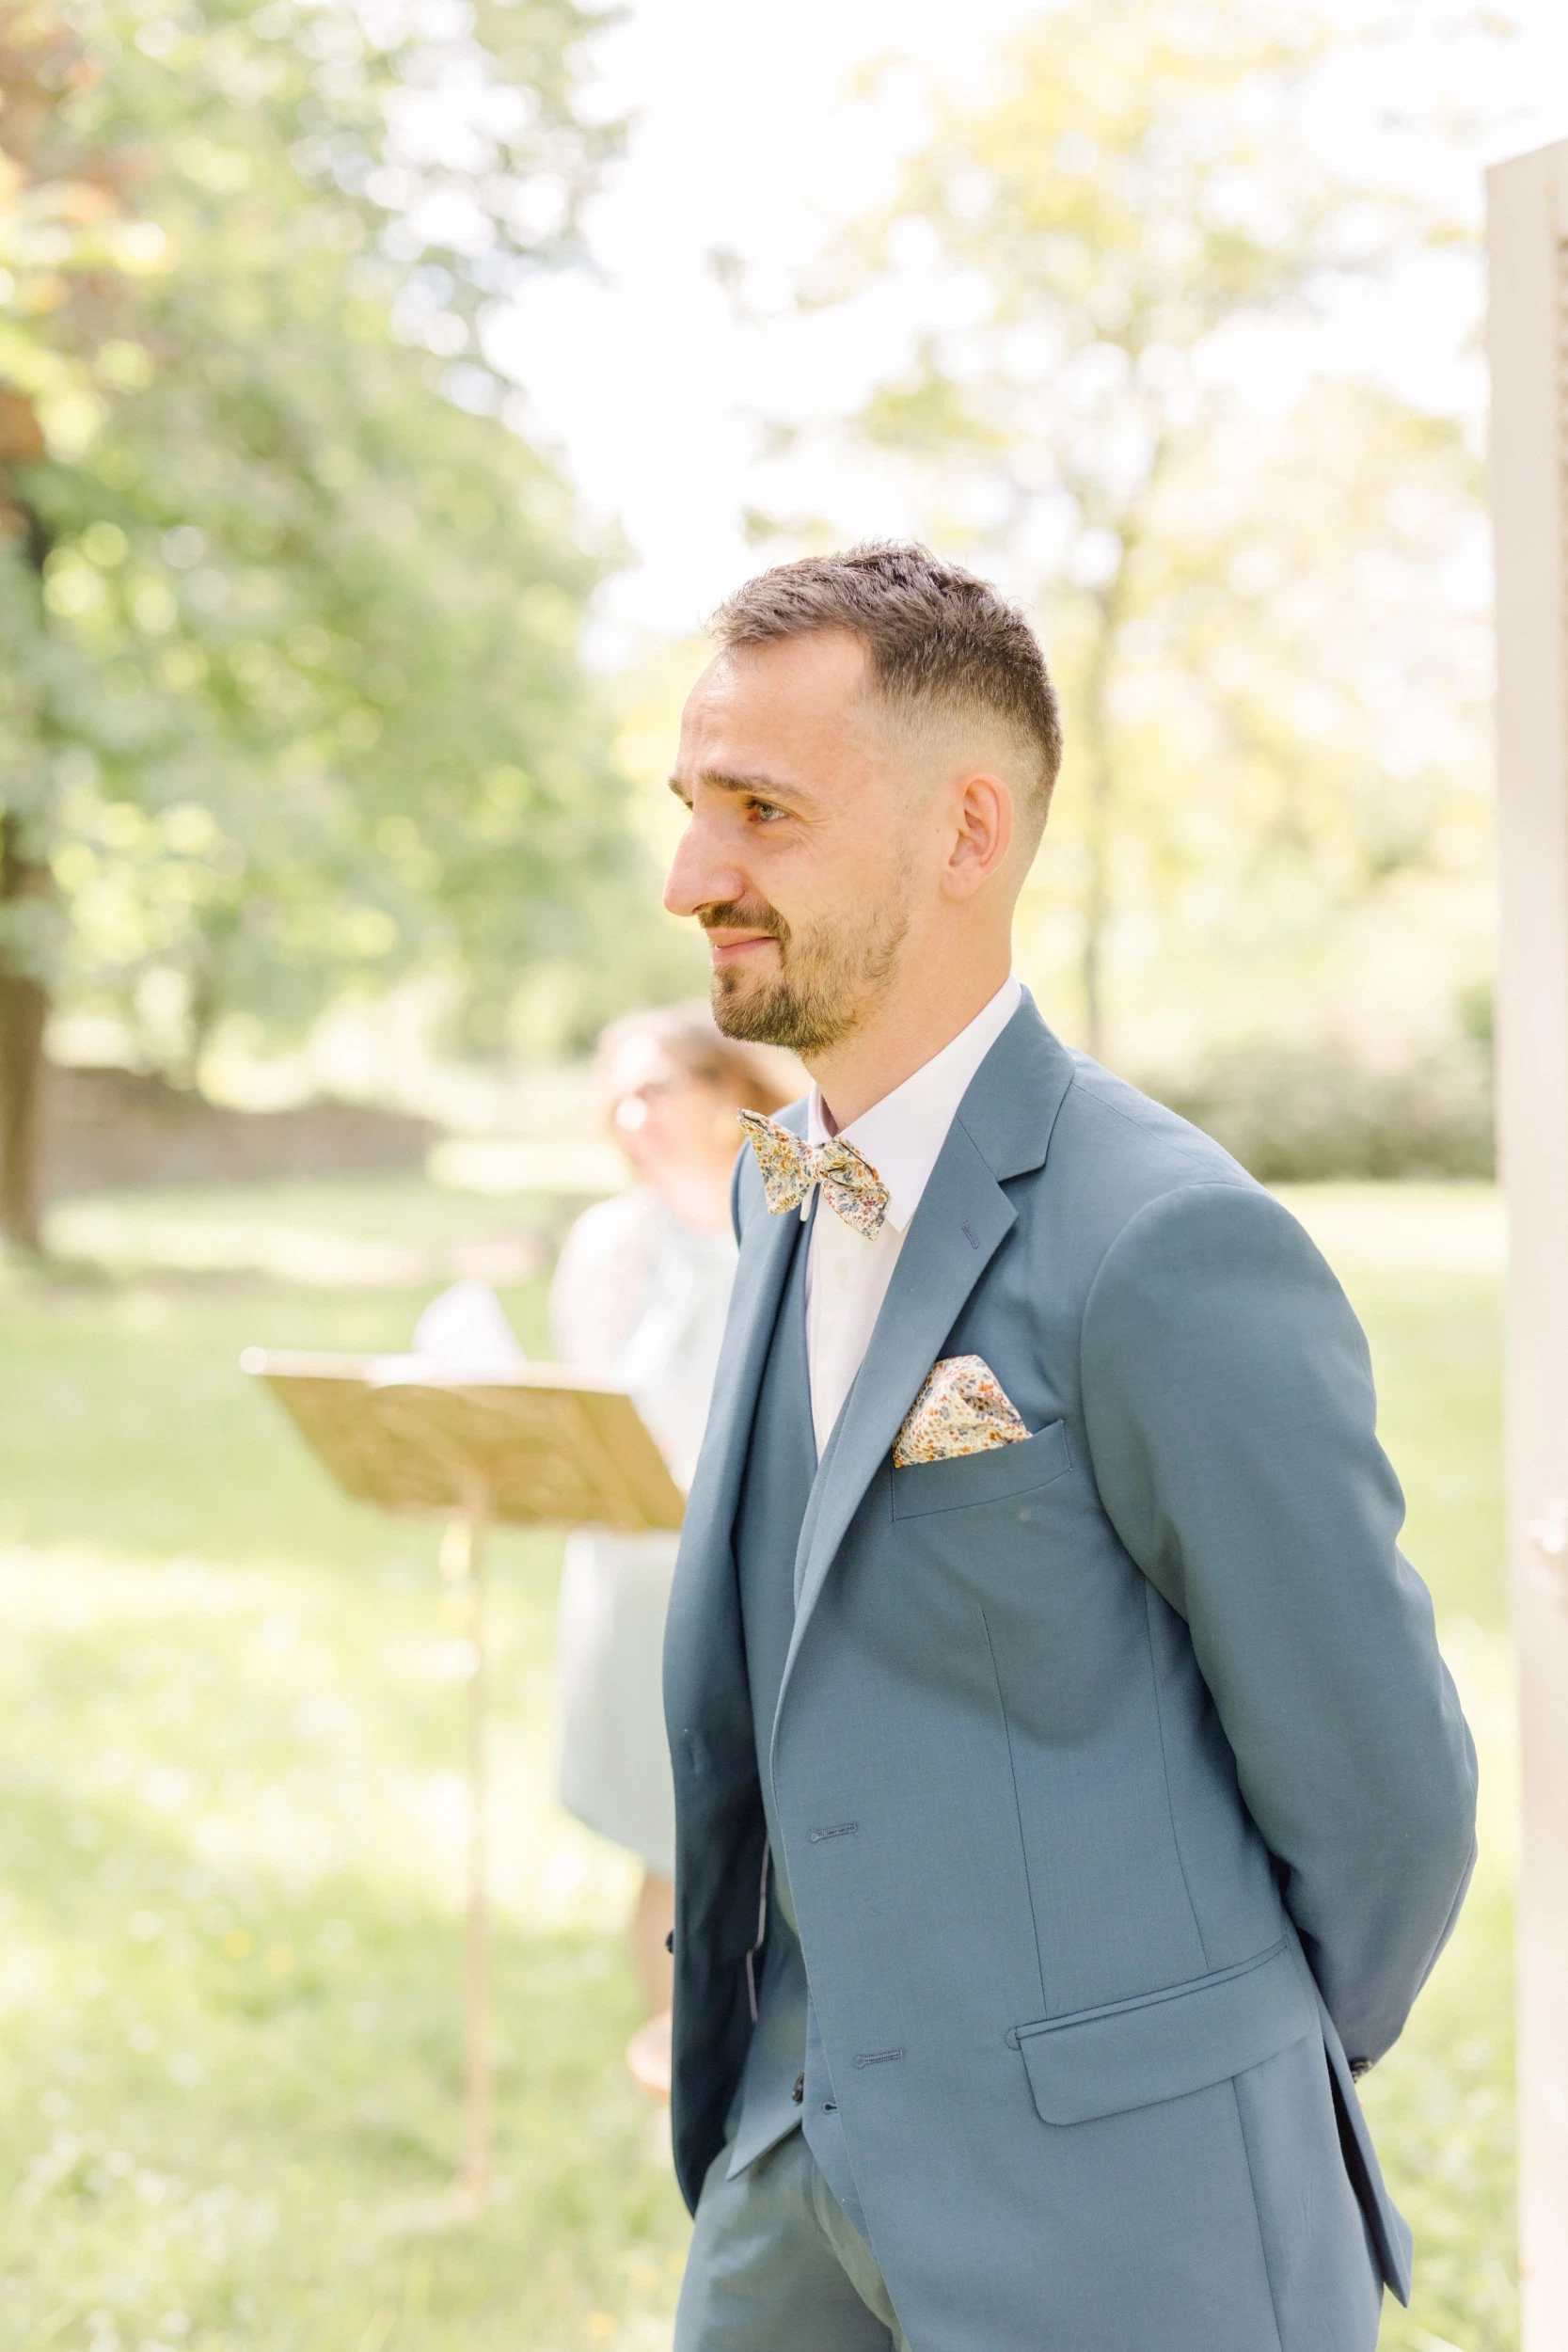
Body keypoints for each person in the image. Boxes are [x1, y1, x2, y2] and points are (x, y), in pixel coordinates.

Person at [658, 544, 1479, 2349]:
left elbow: (1385, 1802)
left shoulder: (1165, 1242)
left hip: (1125, 2229)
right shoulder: (776, 1194)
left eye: (762, 812)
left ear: (967, 834)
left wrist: (1178, 2088)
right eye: (691, 807)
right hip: (788, 2189)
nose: (689, 876)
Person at [549, 1005, 792, 2097]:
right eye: (619, 1097)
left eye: (659, 1089)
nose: (634, 1117)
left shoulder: (795, 1202)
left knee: (777, 1840)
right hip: (631, 1577)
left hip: (758, 1577)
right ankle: (680, 2079)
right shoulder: (609, 1240)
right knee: (664, 1838)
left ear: (724, 1089)